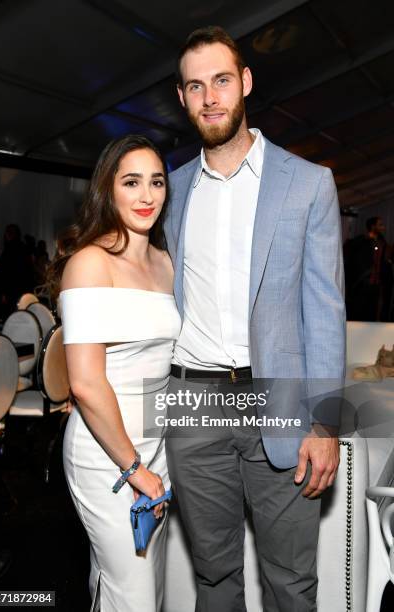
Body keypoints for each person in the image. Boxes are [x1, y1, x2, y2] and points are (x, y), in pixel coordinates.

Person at [163, 27, 345, 612]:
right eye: (196, 86)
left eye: (221, 80)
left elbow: (325, 311)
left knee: (290, 583)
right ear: (182, 98)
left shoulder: (308, 183)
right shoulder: (171, 189)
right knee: (214, 581)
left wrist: (325, 425)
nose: (210, 97)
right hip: (192, 404)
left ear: (245, 82)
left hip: (279, 400)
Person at [50, 135, 181, 612]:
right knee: (136, 595)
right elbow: (84, 382)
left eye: (157, 182)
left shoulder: (166, 263)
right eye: (132, 182)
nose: (146, 196)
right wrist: (134, 469)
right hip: (108, 456)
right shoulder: (89, 263)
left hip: (156, 446)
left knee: (140, 588)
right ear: (109, 189)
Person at [344, 216, 393, 321]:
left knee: (373, 313)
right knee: (359, 312)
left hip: (377, 285)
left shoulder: (382, 242)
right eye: (380, 225)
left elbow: (385, 260)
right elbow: (350, 255)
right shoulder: (361, 241)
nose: (383, 227)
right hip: (363, 284)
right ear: (373, 226)